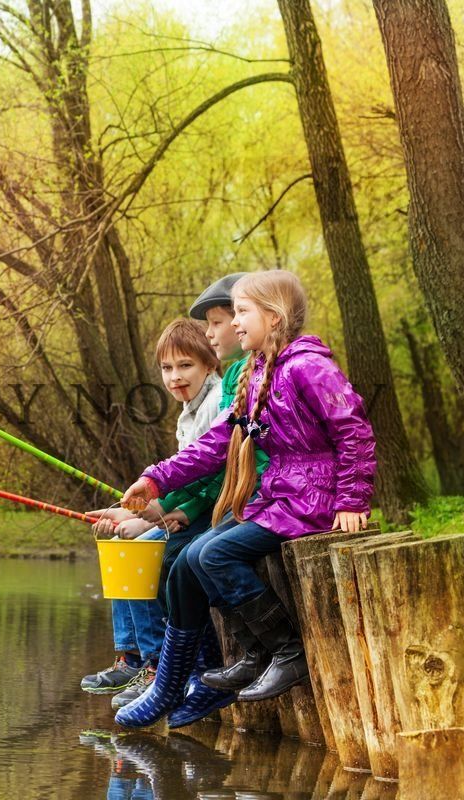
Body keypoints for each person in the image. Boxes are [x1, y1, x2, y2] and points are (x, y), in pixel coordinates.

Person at [113, 269, 376, 728]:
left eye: (241, 312)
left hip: (313, 497)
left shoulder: (308, 366)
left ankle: (285, 650)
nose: (234, 323)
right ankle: (229, 662)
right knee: (192, 556)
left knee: (213, 553)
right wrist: (155, 480)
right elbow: (219, 443)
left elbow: (354, 431)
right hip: (281, 493)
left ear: (272, 318)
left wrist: (352, 500)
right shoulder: (258, 374)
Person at [81, 319, 222, 709]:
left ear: (210, 363)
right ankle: (130, 656)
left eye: (185, 366)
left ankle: (156, 661)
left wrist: (159, 515)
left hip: (211, 514)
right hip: (186, 508)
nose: (175, 377)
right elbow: (185, 474)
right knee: (117, 544)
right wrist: (130, 511)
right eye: (166, 368)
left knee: (141, 550)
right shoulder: (186, 412)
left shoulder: (215, 404)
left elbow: (214, 474)